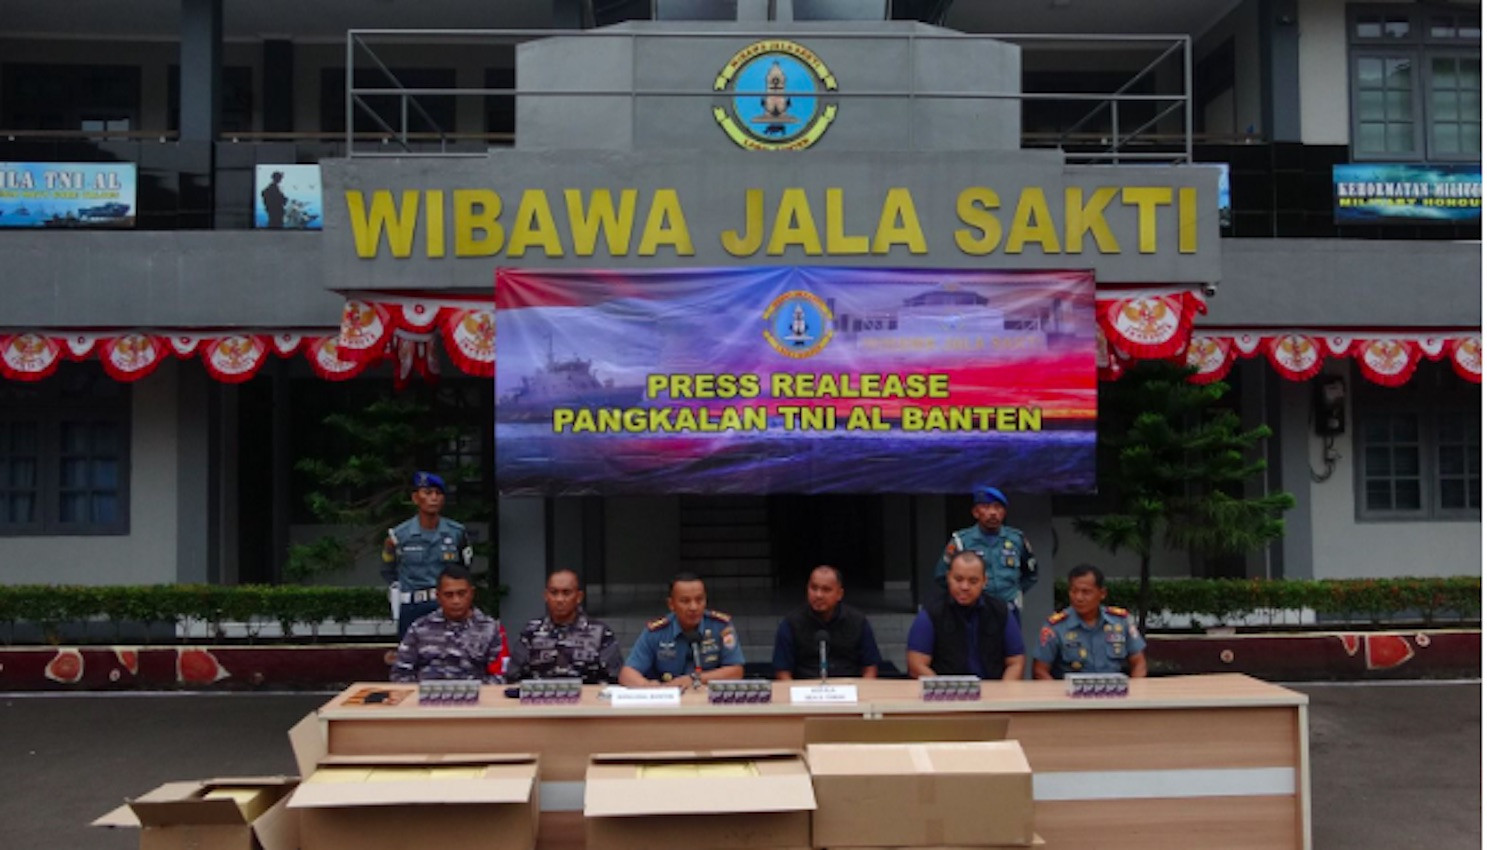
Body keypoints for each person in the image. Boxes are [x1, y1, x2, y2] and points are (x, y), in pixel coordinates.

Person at [907, 551, 1025, 681]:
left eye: (973, 581)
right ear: (948, 577)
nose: (964, 587)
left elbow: (1016, 662)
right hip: (944, 695)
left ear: (984, 581)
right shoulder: (931, 613)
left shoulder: (1001, 611)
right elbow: (916, 665)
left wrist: (1003, 693)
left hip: (992, 692)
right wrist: (946, 690)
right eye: (958, 579)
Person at [382, 471, 472, 639]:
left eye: (438, 493)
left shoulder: (456, 533)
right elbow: (388, 569)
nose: (434, 498)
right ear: (416, 498)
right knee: (411, 660)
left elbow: (464, 569)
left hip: (446, 606)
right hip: (413, 607)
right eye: (428, 493)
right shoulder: (399, 535)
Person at [619, 573, 744, 687]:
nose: (694, 607)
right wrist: (648, 686)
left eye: (699, 600)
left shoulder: (721, 626)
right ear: (671, 604)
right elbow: (627, 674)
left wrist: (695, 679)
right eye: (685, 601)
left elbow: (736, 671)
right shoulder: (657, 631)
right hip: (668, 704)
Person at [932, 485, 1037, 619]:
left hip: (1008, 609)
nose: (993, 512)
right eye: (986, 507)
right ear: (975, 512)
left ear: (1004, 512)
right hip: (974, 610)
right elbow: (942, 575)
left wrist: (1013, 593)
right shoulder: (961, 541)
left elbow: (1031, 574)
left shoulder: (1016, 539)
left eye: (998, 507)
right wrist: (964, 596)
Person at [390, 566, 503, 683]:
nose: (456, 601)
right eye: (449, 595)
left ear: (472, 593)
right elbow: (400, 674)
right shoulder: (419, 628)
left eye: (461, 594)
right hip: (427, 696)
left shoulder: (490, 628)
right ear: (438, 597)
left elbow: (500, 675)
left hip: (475, 696)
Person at [506, 569, 623, 684]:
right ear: (546, 596)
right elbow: (513, 676)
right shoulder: (531, 631)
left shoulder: (600, 633)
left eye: (566, 593)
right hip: (541, 699)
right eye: (554, 592)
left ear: (579, 597)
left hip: (587, 700)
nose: (559, 599)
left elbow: (615, 678)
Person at [1033, 564, 1147, 680]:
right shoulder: (1055, 626)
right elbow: (1040, 670)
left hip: (1114, 693)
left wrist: (1133, 693)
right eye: (1074, 591)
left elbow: (1139, 663)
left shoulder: (1120, 621)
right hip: (1070, 694)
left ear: (1102, 593)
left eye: (1086, 592)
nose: (1078, 597)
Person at [771, 565, 882, 680]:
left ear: (839, 594)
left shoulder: (858, 621)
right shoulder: (791, 623)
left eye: (826, 590)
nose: (818, 595)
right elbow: (782, 671)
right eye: (813, 588)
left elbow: (870, 668)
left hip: (849, 688)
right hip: (805, 689)